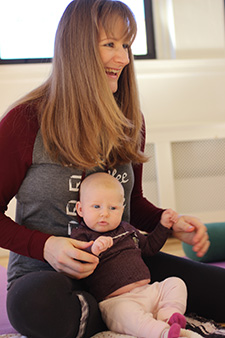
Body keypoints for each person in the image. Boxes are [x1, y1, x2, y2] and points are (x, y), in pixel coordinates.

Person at [0, 0, 222, 337]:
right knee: (36, 306)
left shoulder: (131, 121)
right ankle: (133, 315)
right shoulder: (25, 121)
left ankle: (123, 316)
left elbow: (133, 207)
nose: (123, 58)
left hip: (126, 270)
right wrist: (46, 246)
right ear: (77, 48)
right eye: (110, 45)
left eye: (126, 45)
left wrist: (170, 224)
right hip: (48, 278)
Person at [72, 172, 188, 338]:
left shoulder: (127, 229)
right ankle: (162, 333)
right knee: (127, 316)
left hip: (148, 291)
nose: (104, 213)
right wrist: (93, 250)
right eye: (96, 207)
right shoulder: (82, 235)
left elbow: (149, 248)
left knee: (175, 283)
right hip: (117, 301)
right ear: (81, 209)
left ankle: (168, 314)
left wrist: (163, 226)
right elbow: (77, 262)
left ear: (122, 209)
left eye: (113, 208)